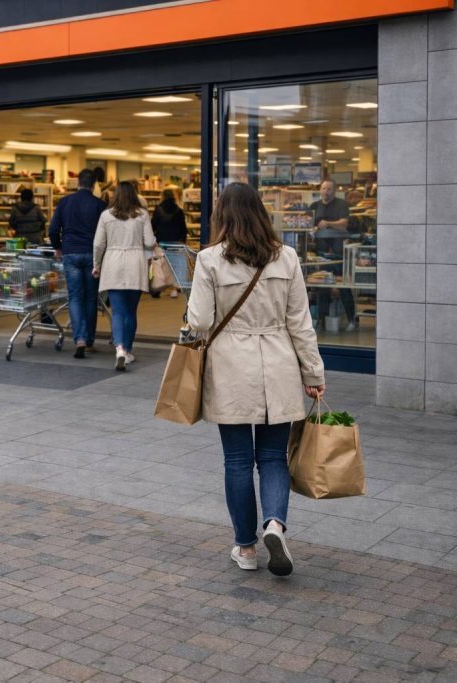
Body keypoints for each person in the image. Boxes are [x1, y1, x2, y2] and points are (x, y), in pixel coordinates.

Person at [187, 182, 325, 577]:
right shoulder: (288, 258)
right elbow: (301, 323)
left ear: (221, 216)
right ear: (262, 213)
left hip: (230, 367)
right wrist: (313, 373)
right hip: (279, 364)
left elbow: (199, 322)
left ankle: (246, 547)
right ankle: (275, 524)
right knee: (273, 457)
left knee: (237, 460)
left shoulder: (211, 259)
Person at [91, 181, 159, 371]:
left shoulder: (106, 215)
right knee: (131, 312)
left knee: (118, 311)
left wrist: (96, 265)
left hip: (113, 263)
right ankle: (127, 350)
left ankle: (119, 348)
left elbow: (98, 244)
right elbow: (150, 242)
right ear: (134, 195)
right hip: (135, 263)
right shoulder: (142, 215)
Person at [49, 168, 107, 358]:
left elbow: (53, 229)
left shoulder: (65, 202)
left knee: (74, 297)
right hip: (92, 255)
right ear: (94, 185)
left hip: (71, 253)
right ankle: (89, 340)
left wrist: (58, 247)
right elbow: (105, 233)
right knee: (91, 297)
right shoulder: (99, 204)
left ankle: (79, 338)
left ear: (78, 183)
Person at [309, 179, 356, 331]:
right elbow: (307, 224)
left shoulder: (341, 205)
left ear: (334, 191)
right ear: (320, 190)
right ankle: (321, 320)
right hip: (320, 254)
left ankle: (352, 320)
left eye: (329, 189)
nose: (326, 191)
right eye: (323, 188)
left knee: (343, 286)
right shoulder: (314, 207)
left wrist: (328, 224)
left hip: (338, 253)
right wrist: (312, 229)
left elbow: (344, 223)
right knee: (322, 287)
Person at [150, 187, 189, 299]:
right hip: (176, 242)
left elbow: (153, 225)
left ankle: (157, 289)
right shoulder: (179, 210)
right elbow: (183, 228)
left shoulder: (158, 210)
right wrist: (183, 241)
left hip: (162, 242)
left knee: (160, 266)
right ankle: (174, 290)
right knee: (175, 267)